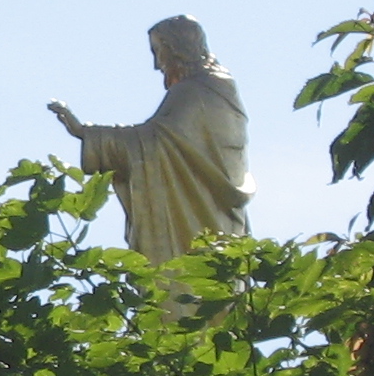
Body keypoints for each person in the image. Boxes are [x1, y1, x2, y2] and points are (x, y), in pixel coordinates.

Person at [47, 15, 252, 266]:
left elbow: (158, 142)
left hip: (204, 218)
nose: (157, 65)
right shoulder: (210, 87)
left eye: (158, 51)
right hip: (212, 217)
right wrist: (90, 134)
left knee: (193, 272)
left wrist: (86, 133)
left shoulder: (197, 91)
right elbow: (160, 139)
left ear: (176, 48)